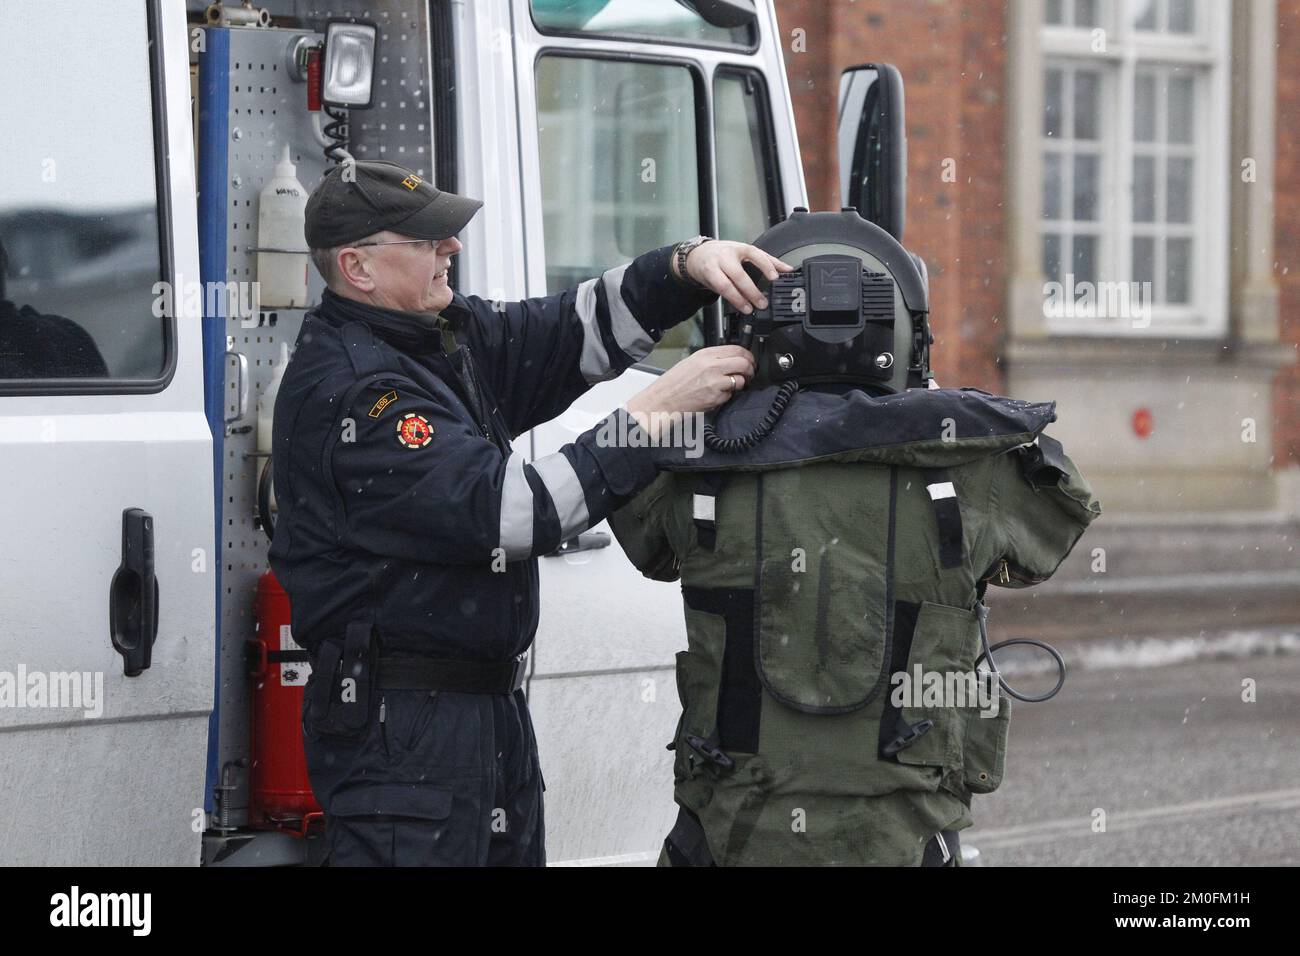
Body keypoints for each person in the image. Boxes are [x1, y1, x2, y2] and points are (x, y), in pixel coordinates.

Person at [267, 158, 791, 866]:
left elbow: (568, 330)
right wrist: (657, 411)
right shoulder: (359, 393)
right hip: (405, 731)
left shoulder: (436, 337)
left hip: (479, 717)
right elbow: (513, 512)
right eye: (426, 242)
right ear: (358, 267)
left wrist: (686, 266)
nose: (449, 249)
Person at [608, 209, 1102, 866]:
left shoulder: (690, 460)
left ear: (752, 330)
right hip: (903, 829)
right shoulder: (977, 463)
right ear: (906, 330)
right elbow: (1053, 528)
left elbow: (641, 531)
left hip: (730, 827)